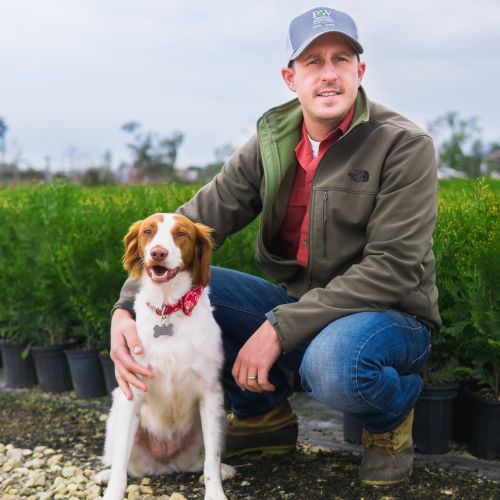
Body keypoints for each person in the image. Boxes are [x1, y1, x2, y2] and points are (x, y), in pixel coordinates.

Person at [110, 6, 441, 485]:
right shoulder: (272, 139)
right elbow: (194, 223)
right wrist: (126, 306)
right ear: (290, 77)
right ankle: (264, 414)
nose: (328, 75)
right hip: (302, 305)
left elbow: (391, 268)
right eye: (313, 62)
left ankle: (390, 420)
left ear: (359, 71)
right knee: (196, 289)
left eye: (341, 60)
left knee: (334, 363)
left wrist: (276, 328)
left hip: (389, 317)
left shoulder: (403, 144)